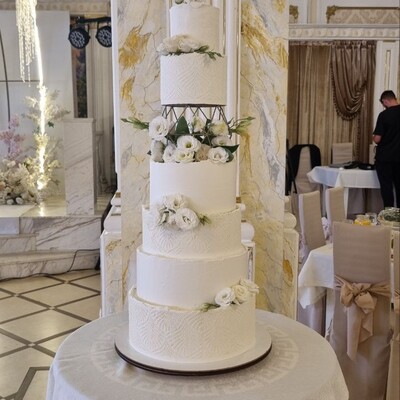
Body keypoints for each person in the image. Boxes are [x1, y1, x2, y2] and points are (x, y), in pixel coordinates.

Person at [372, 90, 400, 208]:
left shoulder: (384, 115)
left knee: (387, 189)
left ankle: (389, 216)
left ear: (385, 101)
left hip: (385, 159)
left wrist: (373, 136)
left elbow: (377, 139)